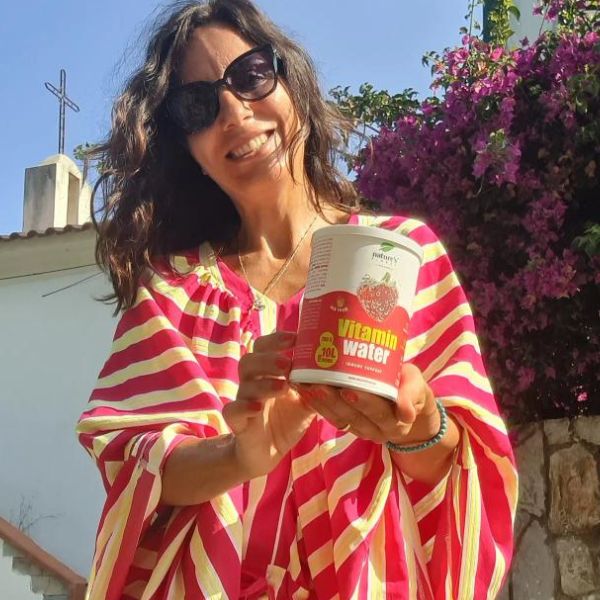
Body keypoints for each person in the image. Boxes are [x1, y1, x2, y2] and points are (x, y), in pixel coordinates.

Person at [76, 1, 517, 598]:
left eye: (251, 75)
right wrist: (241, 455)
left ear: (293, 85)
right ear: (187, 149)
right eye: (198, 105)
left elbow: (464, 468)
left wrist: (416, 423)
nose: (235, 111)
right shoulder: (172, 290)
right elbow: (136, 465)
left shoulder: (402, 256)